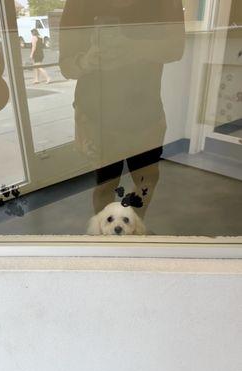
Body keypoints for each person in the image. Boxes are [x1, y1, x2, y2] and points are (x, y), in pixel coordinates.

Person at [59, 0, 185, 218]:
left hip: (145, 113)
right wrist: (88, 61)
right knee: (105, 185)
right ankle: (107, 238)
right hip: (98, 115)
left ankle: (133, 229)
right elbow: (66, 66)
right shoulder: (78, 3)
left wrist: (132, 47)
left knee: (147, 181)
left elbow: (176, 48)